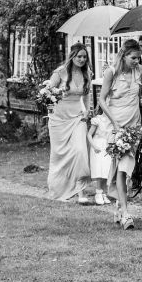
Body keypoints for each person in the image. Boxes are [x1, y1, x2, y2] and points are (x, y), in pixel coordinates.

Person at [99, 39, 142, 229]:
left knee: (127, 168)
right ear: (124, 56)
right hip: (116, 126)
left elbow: (141, 97)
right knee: (122, 167)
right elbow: (102, 100)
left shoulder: (140, 72)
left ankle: (119, 206)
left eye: (138, 58)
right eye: (133, 57)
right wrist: (114, 122)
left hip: (134, 126)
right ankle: (126, 213)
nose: (137, 61)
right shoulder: (111, 72)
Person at [45, 43, 98, 203]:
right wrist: (49, 104)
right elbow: (47, 92)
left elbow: (87, 94)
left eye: (84, 57)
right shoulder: (60, 72)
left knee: (80, 151)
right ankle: (58, 189)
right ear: (72, 56)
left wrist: (87, 110)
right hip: (59, 119)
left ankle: (80, 191)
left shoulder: (87, 73)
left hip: (77, 118)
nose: (82, 59)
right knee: (59, 155)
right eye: (79, 56)